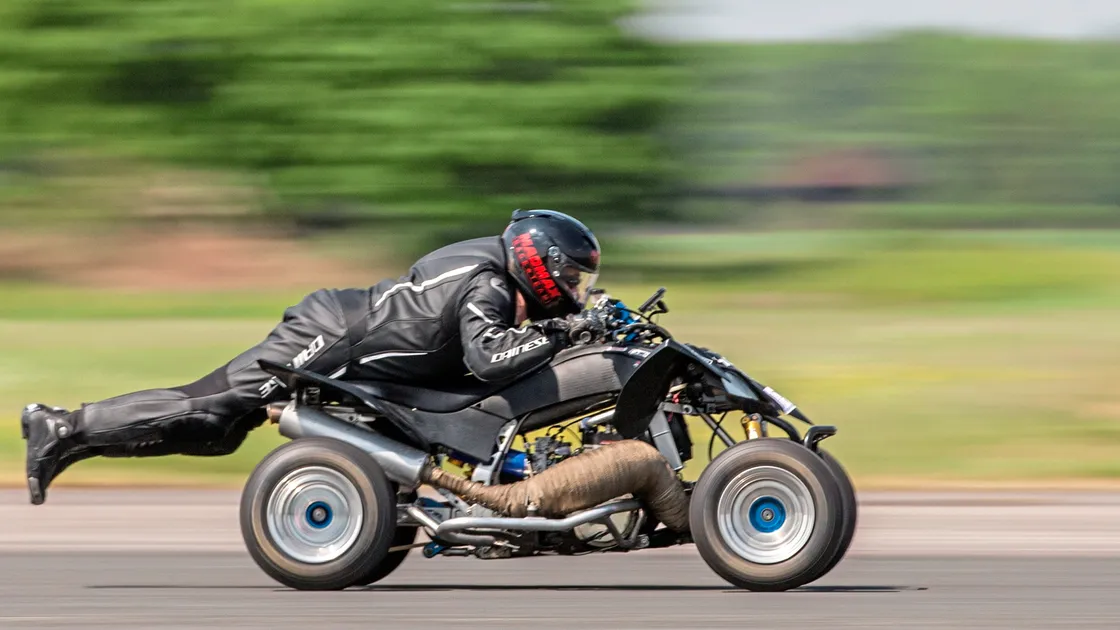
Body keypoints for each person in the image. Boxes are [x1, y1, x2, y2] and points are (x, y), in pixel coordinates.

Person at [20, 209, 601, 505]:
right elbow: (490, 360)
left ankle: (76, 438)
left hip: (358, 339)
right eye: (570, 276)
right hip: (331, 335)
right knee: (214, 410)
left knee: (217, 436)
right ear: (537, 259)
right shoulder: (489, 283)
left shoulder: (501, 275)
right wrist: (568, 328)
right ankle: (64, 425)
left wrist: (581, 321)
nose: (574, 288)